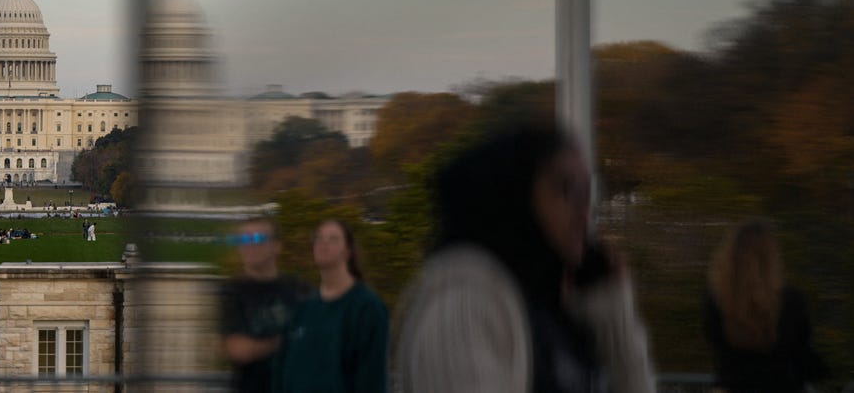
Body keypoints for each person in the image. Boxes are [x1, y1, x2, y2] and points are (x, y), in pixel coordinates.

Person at [393, 123, 655, 393]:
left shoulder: (549, 311)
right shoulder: (463, 301)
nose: (583, 209)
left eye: (588, 191)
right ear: (514, 195)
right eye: (567, 189)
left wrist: (614, 317)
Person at [704, 220, 827, 393]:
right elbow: (802, 356)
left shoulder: (717, 301)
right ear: (771, 258)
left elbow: (720, 355)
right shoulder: (790, 300)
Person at [274, 219, 388, 393]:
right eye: (319, 239)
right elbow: (284, 373)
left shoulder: (367, 307)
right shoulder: (303, 309)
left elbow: (372, 380)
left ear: (348, 251)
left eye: (333, 239)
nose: (324, 243)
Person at [221, 217, 311, 393]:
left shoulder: (301, 289)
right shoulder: (232, 292)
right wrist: (289, 340)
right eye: (244, 239)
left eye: (259, 239)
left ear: (277, 246)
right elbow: (239, 350)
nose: (250, 245)